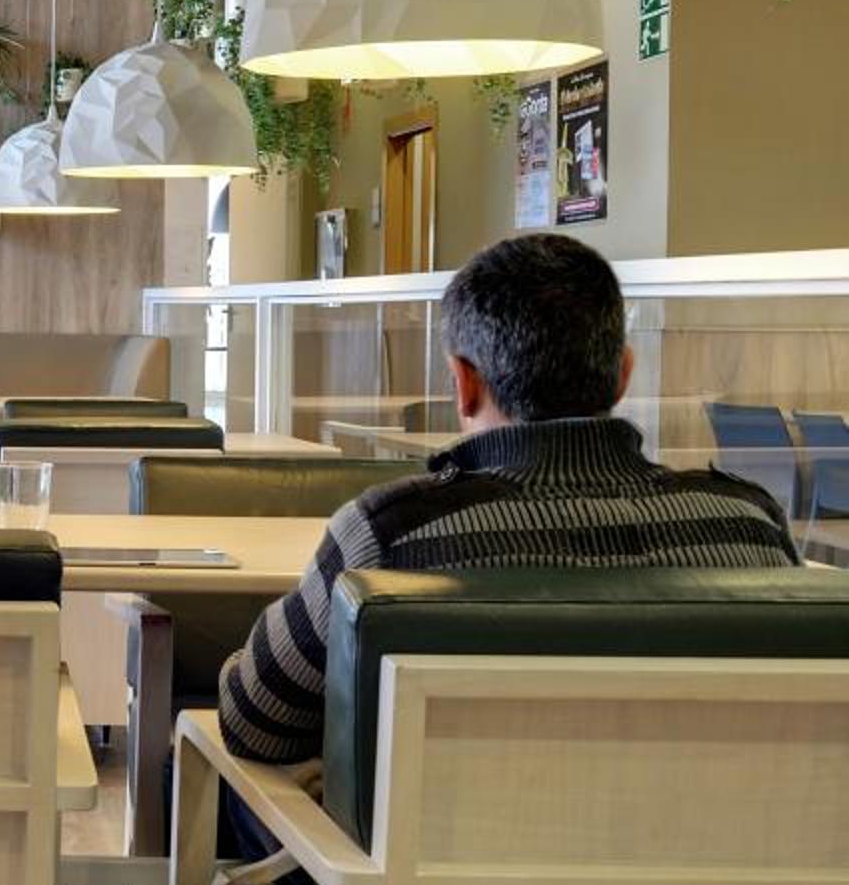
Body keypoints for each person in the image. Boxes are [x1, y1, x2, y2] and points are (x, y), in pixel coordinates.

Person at [219, 233, 799, 765]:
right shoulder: (754, 528)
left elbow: (257, 723)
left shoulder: (390, 536)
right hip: (718, 848)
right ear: (623, 375)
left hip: (431, 850)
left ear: (464, 383)